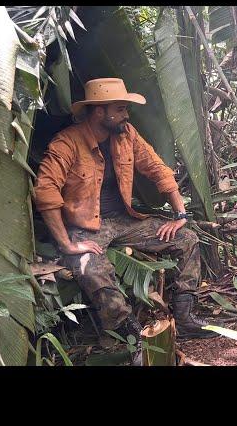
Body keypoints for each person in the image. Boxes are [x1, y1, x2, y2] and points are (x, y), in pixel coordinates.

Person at [34, 78, 217, 365]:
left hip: (125, 219)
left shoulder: (126, 134)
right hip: (88, 225)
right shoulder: (67, 143)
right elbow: (45, 191)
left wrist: (180, 215)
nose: (126, 114)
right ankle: (133, 335)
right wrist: (66, 244)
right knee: (90, 267)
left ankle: (185, 317)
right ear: (98, 112)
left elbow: (158, 170)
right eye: (120, 109)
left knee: (187, 239)